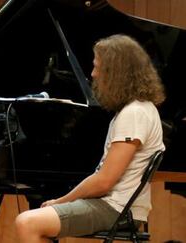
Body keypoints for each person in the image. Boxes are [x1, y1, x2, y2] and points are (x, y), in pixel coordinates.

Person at [15, 34, 166, 242]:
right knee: (35, 221)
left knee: (27, 222)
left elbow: (104, 181)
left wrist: (61, 201)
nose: (93, 74)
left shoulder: (134, 113)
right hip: (115, 205)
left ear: (115, 73)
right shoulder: (138, 109)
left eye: (97, 67)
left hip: (116, 208)